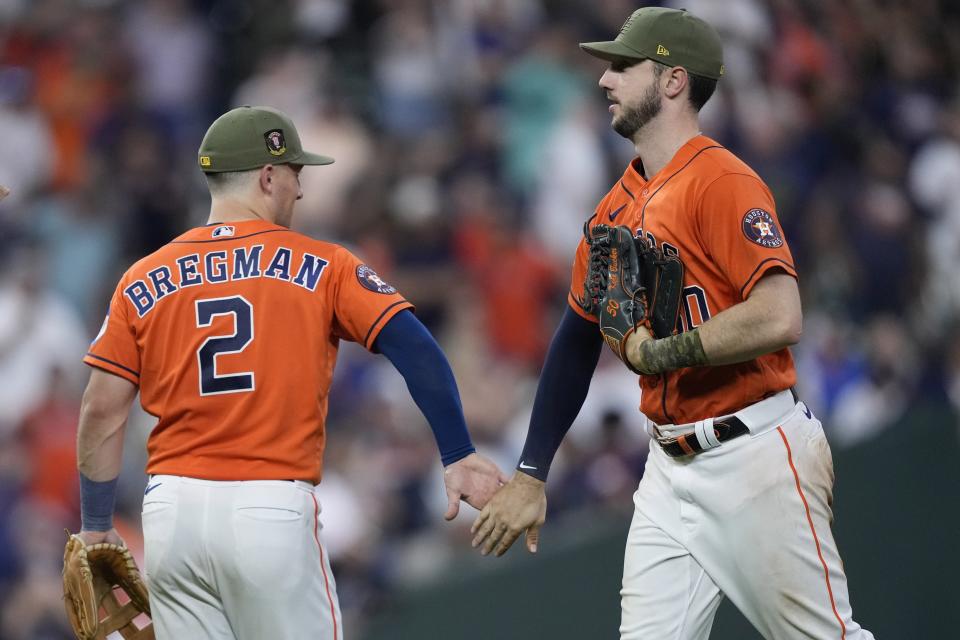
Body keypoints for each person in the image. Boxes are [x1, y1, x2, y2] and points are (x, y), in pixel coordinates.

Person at [470, 8, 874, 640]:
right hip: (666, 470)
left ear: (673, 81)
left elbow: (780, 313)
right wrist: (531, 472)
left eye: (624, 66)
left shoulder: (723, 180)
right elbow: (576, 339)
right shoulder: (614, 206)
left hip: (754, 455)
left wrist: (664, 353)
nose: (605, 80)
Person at [74, 105, 505, 640]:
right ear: (267, 175)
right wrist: (457, 451)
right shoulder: (323, 263)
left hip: (171, 516)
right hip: (267, 507)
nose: (300, 191)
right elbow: (416, 347)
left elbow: (100, 406)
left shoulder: (143, 276)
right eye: (296, 174)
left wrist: (96, 525)